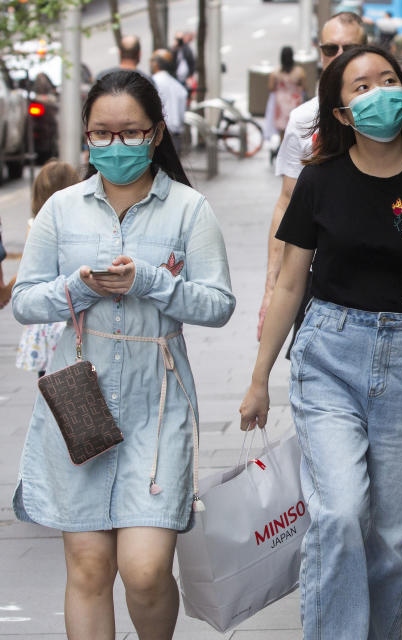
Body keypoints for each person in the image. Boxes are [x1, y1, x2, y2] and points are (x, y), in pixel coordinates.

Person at [239, 44, 402, 638]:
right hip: (329, 355)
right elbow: (291, 281)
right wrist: (258, 379)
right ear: (343, 114)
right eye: (359, 87)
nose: (377, 93)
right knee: (340, 510)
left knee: (394, 541)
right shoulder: (319, 181)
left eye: (387, 80)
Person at [11, 70, 235, 639]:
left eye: (130, 132)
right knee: (88, 566)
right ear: (86, 137)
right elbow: (23, 301)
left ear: (157, 132)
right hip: (79, 399)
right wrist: (79, 287)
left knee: (145, 569)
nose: (116, 145)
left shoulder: (189, 209)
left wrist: (153, 282)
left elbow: (218, 305)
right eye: (102, 134)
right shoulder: (62, 209)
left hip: (156, 404)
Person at [258, 11, 367, 341]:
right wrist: (270, 289)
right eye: (329, 48)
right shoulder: (303, 120)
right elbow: (286, 202)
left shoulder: (388, 115)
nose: (338, 56)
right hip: (319, 283)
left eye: (348, 48)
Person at [14, 161, 81, 376]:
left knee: (49, 384)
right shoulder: (82, 222)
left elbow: (30, 268)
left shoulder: (35, 224)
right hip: (73, 313)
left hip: (47, 316)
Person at [150, 49, 188, 153]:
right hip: (175, 136)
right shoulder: (178, 86)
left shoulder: (153, 82)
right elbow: (181, 115)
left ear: (156, 64)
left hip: (159, 136)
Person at [268, 46, 306, 135]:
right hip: (295, 100)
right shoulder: (300, 72)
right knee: (294, 127)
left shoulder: (275, 73)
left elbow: (271, 88)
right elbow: (304, 87)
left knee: (282, 127)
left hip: (280, 102)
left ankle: (282, 145)